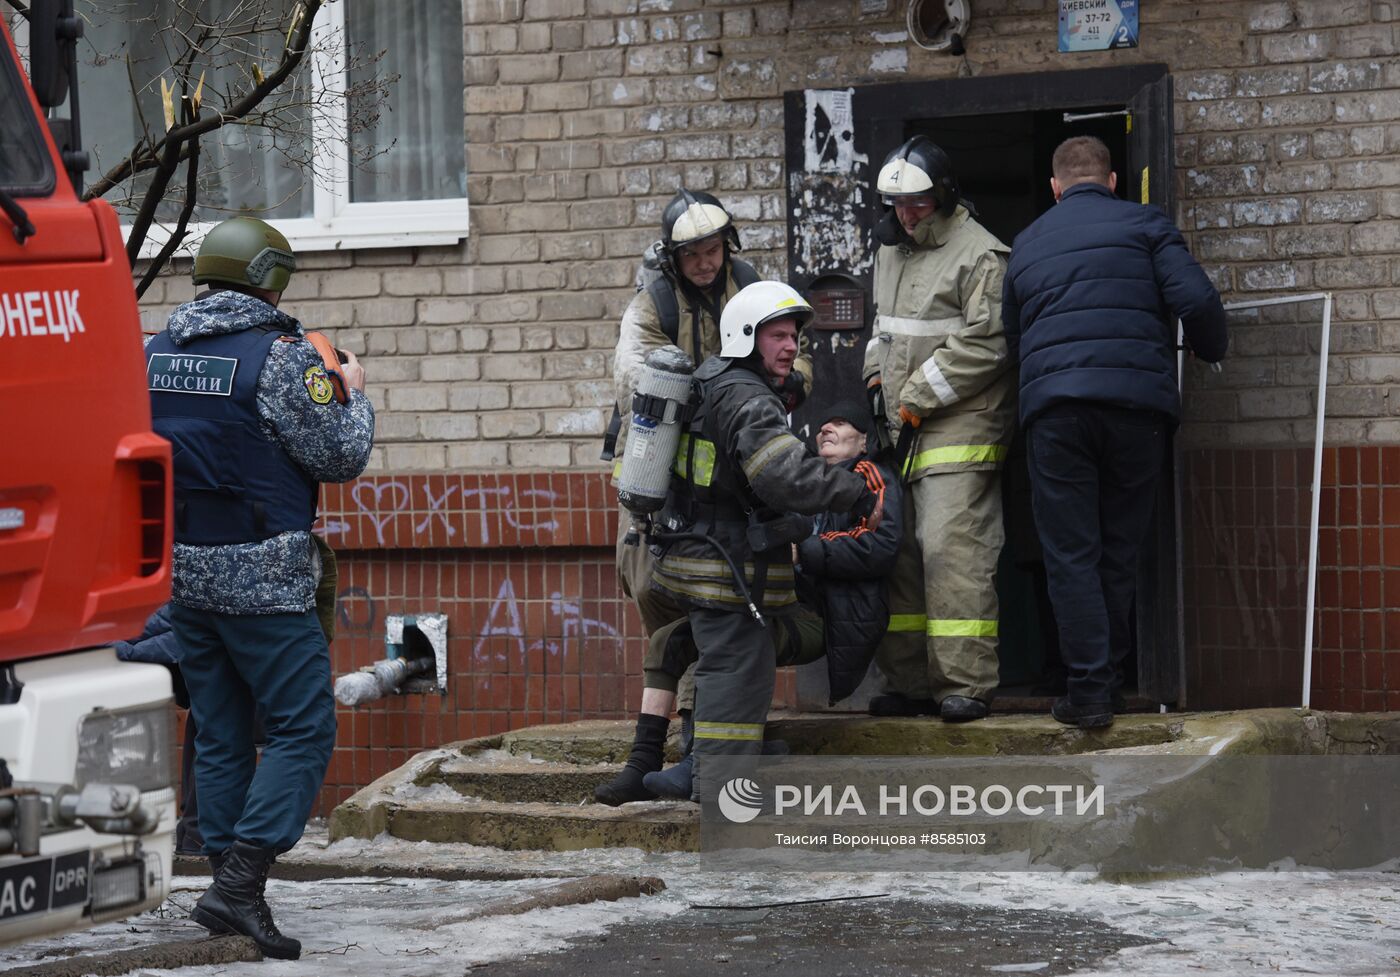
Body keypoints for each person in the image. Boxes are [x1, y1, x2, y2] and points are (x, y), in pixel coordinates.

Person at [146, 216, 374, 959]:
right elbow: (341, 455)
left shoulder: (157, 352)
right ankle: (241, 884)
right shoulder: (280, 359)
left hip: (184, 571)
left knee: (218, 727)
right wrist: (353, 391)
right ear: (270, 277)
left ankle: (227, 886)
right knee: (303, 725)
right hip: (265, 579)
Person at [597, 191, 816, 804]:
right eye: (691, 253)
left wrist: (776, 386)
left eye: (713, 250)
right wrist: (704, 394)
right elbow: (632, 376)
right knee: (653, 589)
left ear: (729, 246)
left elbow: (798, 366)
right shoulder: (653, 304)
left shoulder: (752, 293)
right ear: (674, 257)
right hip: (657, 467)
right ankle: (657, 752)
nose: (704, 262)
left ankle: (696, 745)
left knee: (720, 598)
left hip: (727, 480)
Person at [1002, 135, 1227, 728]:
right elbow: (1197, 301)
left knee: (1071, 555)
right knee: (1119, 551)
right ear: (1112, 182)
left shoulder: (1026, 245)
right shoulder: (1147, 226)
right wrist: (1212, 350)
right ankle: (1115, 680)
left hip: (1056, 415)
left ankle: (1089, 694)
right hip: (1136, 411)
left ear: (1055, 188)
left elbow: (1014, 340)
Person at [646, 281, 884, 803]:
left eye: (794, 336)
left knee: (739, 664)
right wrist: (854, 491)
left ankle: (714, 767)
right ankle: (720, 788)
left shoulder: (713, 380)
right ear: (745, 337)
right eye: (777, 335)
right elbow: (784, 477)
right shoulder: (748, 398)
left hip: (703, 553)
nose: (791, 346)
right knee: (736, 667)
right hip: (726, 563)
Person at [597, 402, 902, 801]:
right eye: (824, 422)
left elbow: (881, 545)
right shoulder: (803, 482)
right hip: (781, 605)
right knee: (668, 641)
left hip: (825, 617)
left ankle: (701, 764)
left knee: (728, 639)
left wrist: (802, 550)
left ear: (864, 440)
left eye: (842, 422)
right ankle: (642, 763)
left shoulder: (870, 477)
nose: (827, 427)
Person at [863, 136, 1014, 723]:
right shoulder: (891, 253)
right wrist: (877, 380)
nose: (906, 215)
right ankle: (908, 682)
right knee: (899, 553)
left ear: (945, 195)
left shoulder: (981, 255)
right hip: (901, 426)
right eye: (898, 206)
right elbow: (883, 330)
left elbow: (987, 344)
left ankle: (965, 684)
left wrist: (916, 397)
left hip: (960, 427)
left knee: (952, 548)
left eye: (918, 204)